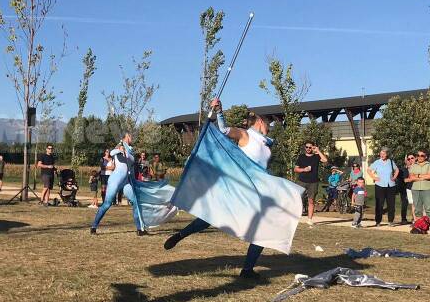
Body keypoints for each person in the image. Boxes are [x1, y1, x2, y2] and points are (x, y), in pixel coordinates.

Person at [163, 99, 273, 279]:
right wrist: (219, 112)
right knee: (211, 217)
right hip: (238, 186)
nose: (269, 128)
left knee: (262, 228)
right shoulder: (245, 135)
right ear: (260, 122)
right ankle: (180, 235)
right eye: (268, 124)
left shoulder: (266, 143)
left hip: (255, 190)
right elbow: (223, 131)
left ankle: (247, 270)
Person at [90, 133, 146, 235]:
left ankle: (140, 229)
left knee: (135, 202)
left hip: (125, 181)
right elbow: (112, 153)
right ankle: (94, 226)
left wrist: (127, 152)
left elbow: (132, 160)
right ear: (126, 137)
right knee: (107, 204)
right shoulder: (120, 145)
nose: (132, 138)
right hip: (115, 180)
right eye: (130, 136)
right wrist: (120, 150)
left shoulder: (130, 150)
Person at [294, 141, 328, 225]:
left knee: (311, 201)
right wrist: (303, 169)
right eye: (307, 147)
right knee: (297, 199)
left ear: (313, 148)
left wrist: (318, 151)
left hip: (313, 182)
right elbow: (295, 169)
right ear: (304, 148)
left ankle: (309, 220)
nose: (308, 149)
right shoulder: (301, 157)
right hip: (301, 181)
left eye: (310, 147)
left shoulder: (316, 157)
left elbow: (325, 160)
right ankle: (295, 217)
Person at [367, 148, 399, 226]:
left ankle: (390, 221)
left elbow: (397, 170)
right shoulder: (377, 162)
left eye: (384, 154)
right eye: (381, 154)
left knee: (391, 204)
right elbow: (368, 170)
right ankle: (378, 221)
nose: (382, 155)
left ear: (387, 154)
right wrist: (374, 178)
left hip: (390, 185)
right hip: (380, 185)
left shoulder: (391, 162)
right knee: (379, 204)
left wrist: (394, 177)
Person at [407, 149, 430, 232]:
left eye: (422, 155)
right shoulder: (413, 165)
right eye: (418, 155)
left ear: (426, 156)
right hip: (415, 189)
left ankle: (429, 228)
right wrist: (423, 176)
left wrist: (417, 176)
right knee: (417, 209)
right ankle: (419, 227)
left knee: (429, 208)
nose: (419, 157)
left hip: (427, 189)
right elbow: (411, 177)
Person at [396, 153, 414, 223]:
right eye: (408, 159)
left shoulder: (417, 168)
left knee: (414, 204)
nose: (410, 160)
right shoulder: (402, 170)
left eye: (411, 158)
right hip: (404, 189)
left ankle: (414, 219)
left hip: (414, 188)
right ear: (405, 160)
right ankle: (403, 219)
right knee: (404, 203)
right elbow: (403, 180)